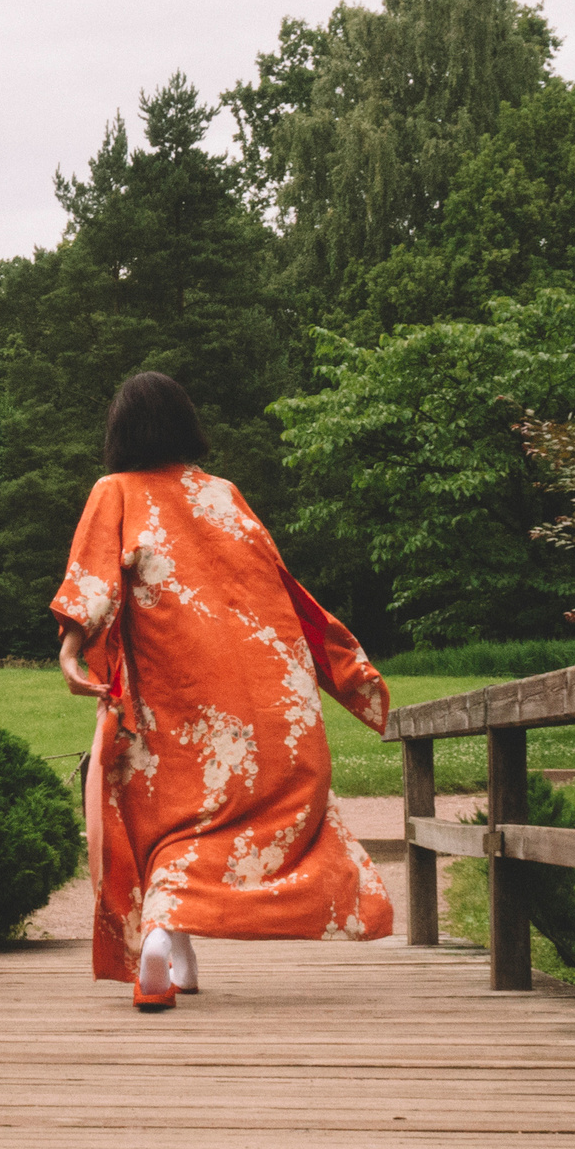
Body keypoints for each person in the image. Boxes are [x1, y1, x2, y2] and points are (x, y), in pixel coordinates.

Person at [51, 371, 393, 1010]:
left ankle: (156, 935)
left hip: (175, 691)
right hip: (266, 691)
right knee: (232, 815)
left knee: (165, 814)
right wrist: (344, 673)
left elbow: (93, 583)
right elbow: (281, 588)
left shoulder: (114, 490)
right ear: (186, 425)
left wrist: (71, 652)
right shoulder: (224, 494)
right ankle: (180, 955)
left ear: (119, 431)